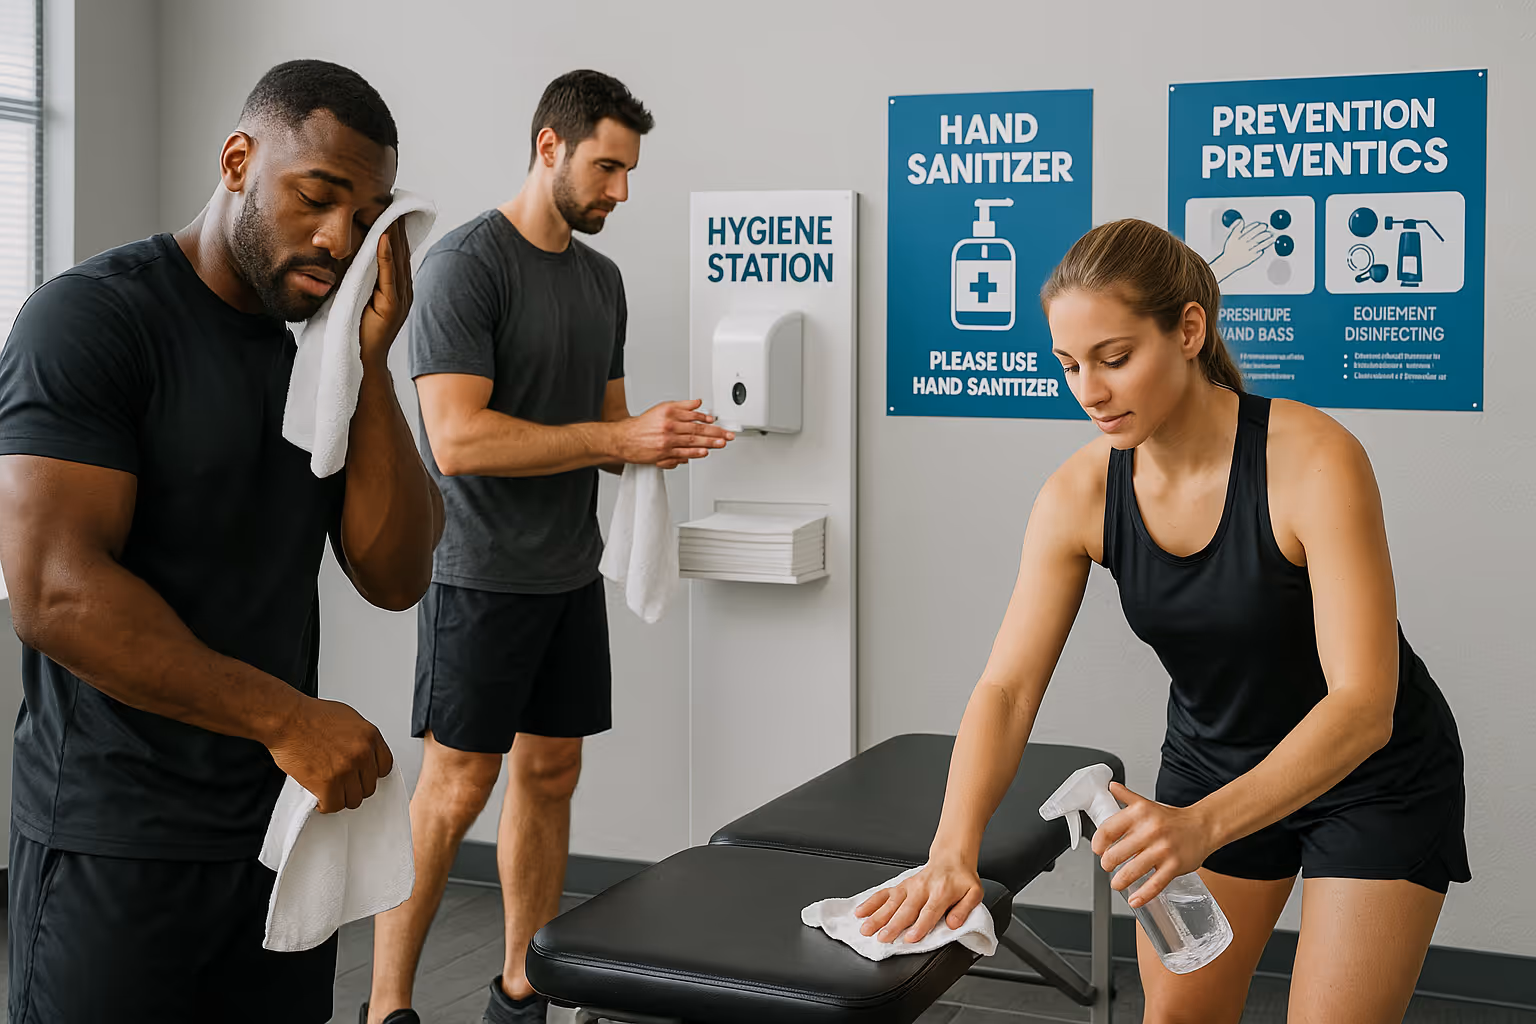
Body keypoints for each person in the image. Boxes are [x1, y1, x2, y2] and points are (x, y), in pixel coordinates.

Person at [855, 218, 1468, 1024]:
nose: (1090, 391)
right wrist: (950, 851)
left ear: (1187, 329)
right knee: (1177, 1017)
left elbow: (1363, 705)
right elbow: (1007, 688)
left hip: (1371, 780)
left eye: (1114, 358)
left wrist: (1199, 827)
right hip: (1211, 763)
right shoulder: (1078, 494)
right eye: (1069, 365)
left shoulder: (1312, 458)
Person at [0, 60, 443, 1023]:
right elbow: (54, 590)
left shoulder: (321, 352)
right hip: (115, 839)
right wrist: (287, 717)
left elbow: (398, 571)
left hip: (277, 842)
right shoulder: (93, 319)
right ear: (239, 160)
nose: (338, 238)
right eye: (317, 198)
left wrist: (369, 361)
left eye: (365, 220)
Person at [365, 70, 731, 1024]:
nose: (620, 191)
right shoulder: (464, 267)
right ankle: (386, 1005)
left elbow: (605, 425)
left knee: (552, 773)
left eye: (628, 171)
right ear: (549, 147)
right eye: (607, 167)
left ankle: (523, 985)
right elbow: (458, 439)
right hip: (477, 574)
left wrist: (658, 437)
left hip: (569, 572)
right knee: (456, 786)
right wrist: (617, 439)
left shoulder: (600, 281)